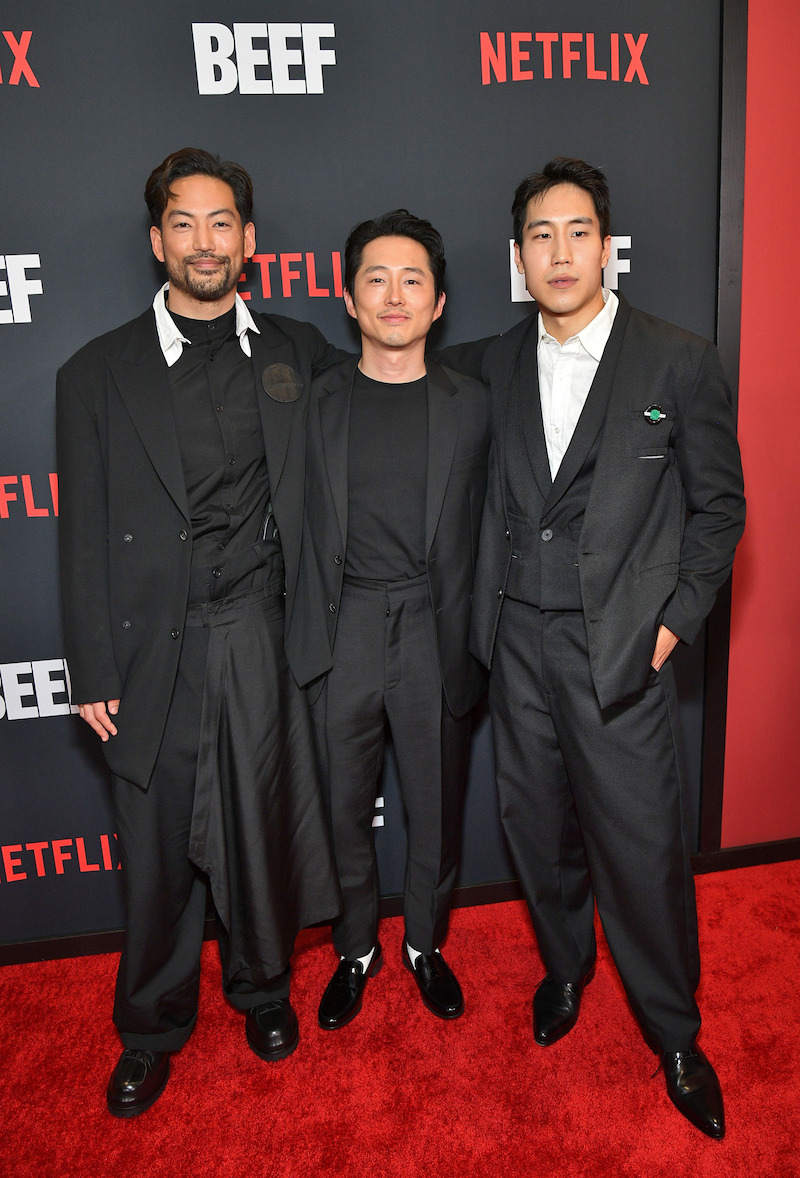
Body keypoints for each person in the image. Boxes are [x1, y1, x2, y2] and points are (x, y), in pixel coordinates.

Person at [458, 158, 745, 1138]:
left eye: (576, 231)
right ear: (517, 256)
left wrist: (674, 617)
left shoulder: (675, 362)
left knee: (641, 849)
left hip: (620, 650)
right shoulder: (491, 363)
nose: (559, 251)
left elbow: (718, 511)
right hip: (518, 651)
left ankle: (672, 1030)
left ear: (605, 244)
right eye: (539, 234)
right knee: (537, 831)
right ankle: (565, 966)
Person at [56, 147, 343, 1118]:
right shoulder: (93, 373)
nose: (204, 241)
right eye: (183, 222)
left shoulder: (297, 352)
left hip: (259, 633)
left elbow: (391, 389)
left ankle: (260, 988)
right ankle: (149, 1024)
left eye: (221, 221)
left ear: (249, 240)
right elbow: (83, 529)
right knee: (157, 843)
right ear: (156, 242)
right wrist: (92, 662)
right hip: (149, 649)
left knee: (259, 831)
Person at [293, 210, 490, 1029]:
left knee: (436, 803)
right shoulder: (314, 401)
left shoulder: (474, 404)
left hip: (433, 624)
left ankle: (424, 945)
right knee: (343, 805)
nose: (395, 294)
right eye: (377, 278)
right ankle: (355, 948)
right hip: (340, 630)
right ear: (350, 297)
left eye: (413, 279)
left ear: (439, 302)